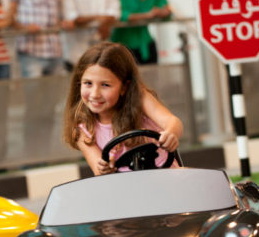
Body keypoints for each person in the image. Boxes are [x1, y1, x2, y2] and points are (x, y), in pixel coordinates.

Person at [62, 42, 182, 175]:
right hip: (125, 189)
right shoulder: (82, 130)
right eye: (88, 83)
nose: (95, 94)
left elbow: (172, 121)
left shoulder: (140, 98)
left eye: (105, 85)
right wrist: (103, 168)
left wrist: (171, 133)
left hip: (166, 179)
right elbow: (98, 169)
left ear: (124, 87)